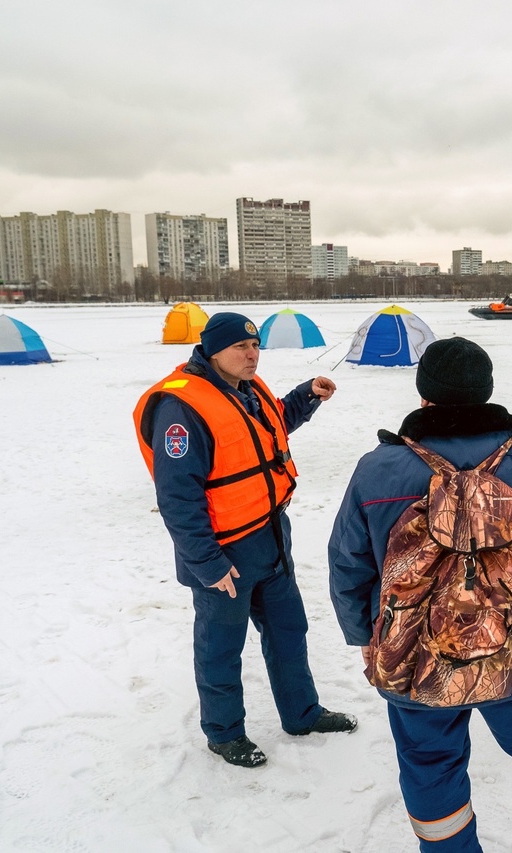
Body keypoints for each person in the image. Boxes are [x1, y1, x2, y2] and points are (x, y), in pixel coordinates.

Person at [328, 337, 512, 852]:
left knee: (432, 768)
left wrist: (366, 635)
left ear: (424, 395)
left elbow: (349, 563)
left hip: (415, 657)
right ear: (487, 391)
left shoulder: (378, 468)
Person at [134, 311, 357, 768]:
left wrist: (304, 398)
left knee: (289, 631)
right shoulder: (181, 408)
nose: (252, 355)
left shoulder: (247, 389)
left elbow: (263, 434)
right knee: (220, 647)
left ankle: (302, 713)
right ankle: (224, 732)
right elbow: (177, 498)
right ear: (213, 349)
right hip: (223, 554)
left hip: (271, 536)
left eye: (255, 346)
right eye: (241, 347)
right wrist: (208, 564)